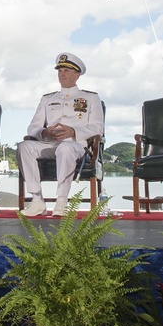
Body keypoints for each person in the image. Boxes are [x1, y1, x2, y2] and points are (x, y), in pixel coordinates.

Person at [17, 53, 104, 217]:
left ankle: (62, 202)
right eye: (60, 71)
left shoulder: (91, 97)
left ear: (77, 75)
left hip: (75, 144)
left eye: (66, 70)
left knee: (65, 148)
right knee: (24, 146)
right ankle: (37, 201)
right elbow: (33, 126)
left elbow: (98, 127)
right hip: (49, 143)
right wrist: (44, 132)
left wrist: (74, 131)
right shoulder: (47, 99)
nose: (62, 74)